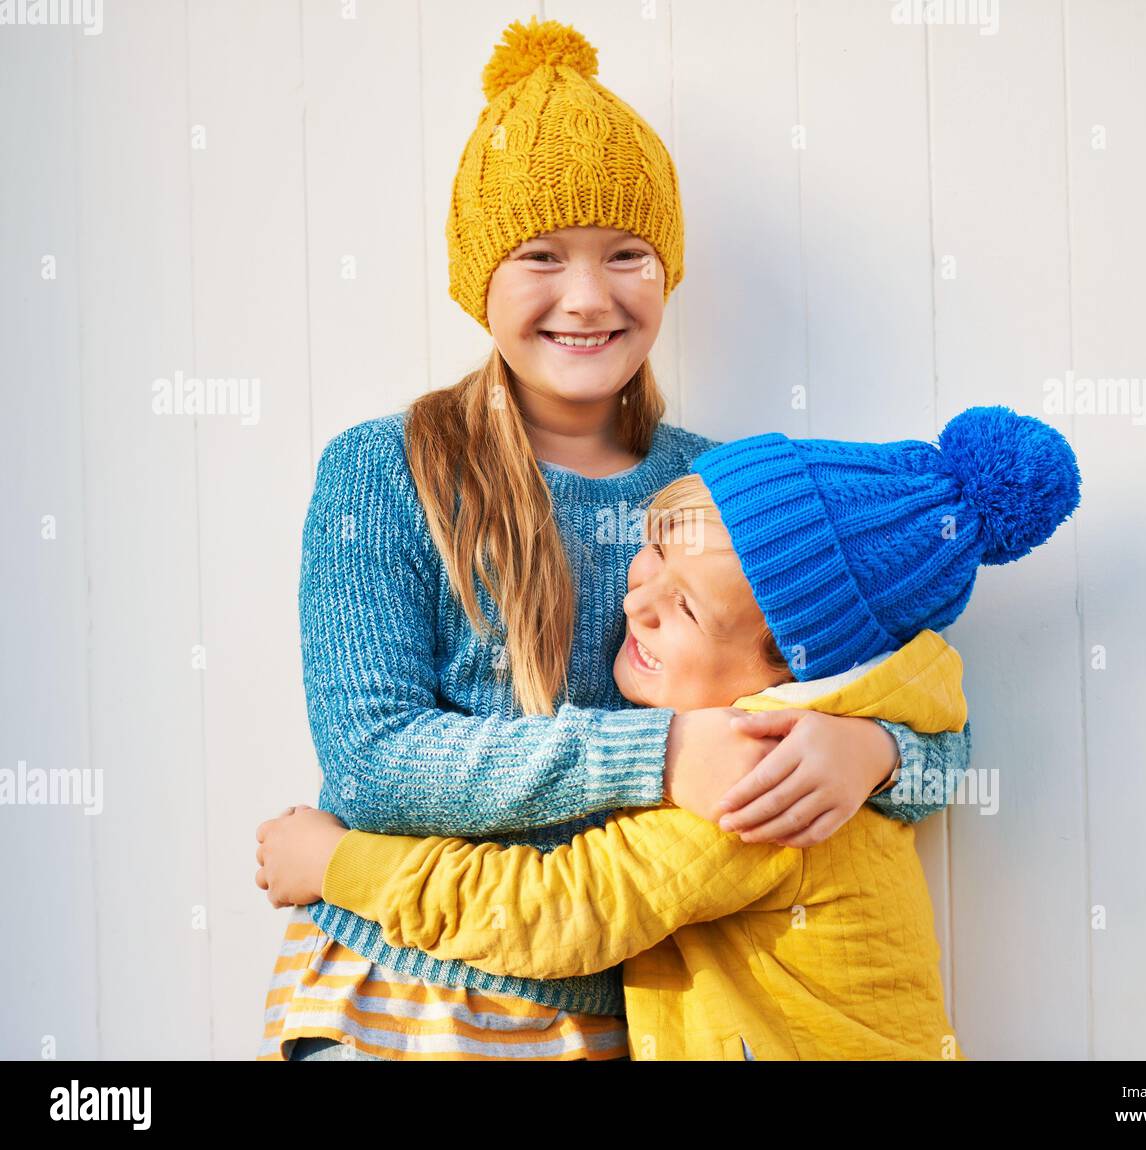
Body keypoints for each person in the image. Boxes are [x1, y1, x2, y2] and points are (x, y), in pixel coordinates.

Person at [255, 15, 971, 1061]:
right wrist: (668, 750)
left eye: (626, 254)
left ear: (666, 270)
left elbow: (941, 729)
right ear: (477, 280)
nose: (587, 296)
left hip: (629, 1012)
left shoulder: (729, 491)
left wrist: (872, 751)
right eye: (541, 256)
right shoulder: (386, 470)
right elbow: (373, 763)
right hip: (403, 987)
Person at [257, 406, 1081, 1060]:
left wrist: (337, 864)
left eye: (685, 607)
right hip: (398, 1003)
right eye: (650, 550)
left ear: (789, 672)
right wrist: (875, 748)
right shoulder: (808, 720)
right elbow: (374, 755)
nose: (633, 600)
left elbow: (561, 908)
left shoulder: (761, 783)